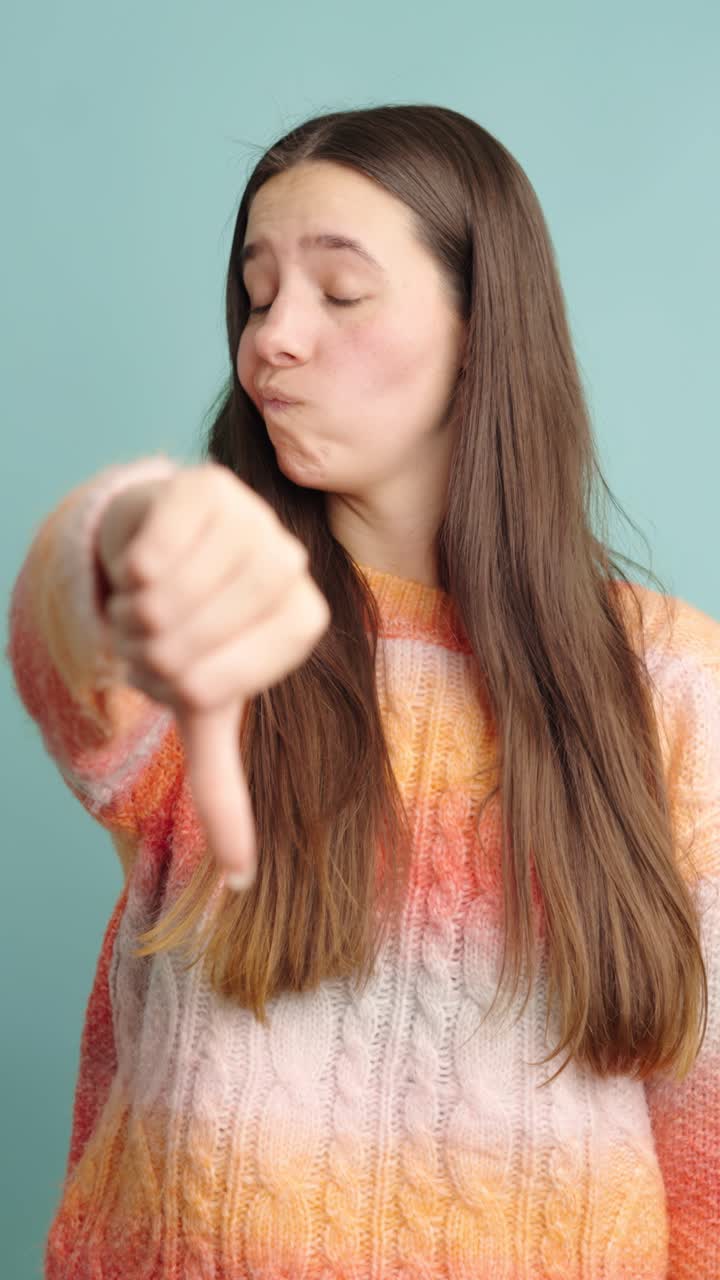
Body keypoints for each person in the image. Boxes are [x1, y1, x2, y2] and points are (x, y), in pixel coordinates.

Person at [5, 103, 719, 1280]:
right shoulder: (224, 630)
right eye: (256, 292)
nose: (272, 338)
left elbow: (702, 1151)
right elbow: (66, 644)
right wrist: (131, 534)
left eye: (340, 294)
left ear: (482, 330)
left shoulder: (673, 687)